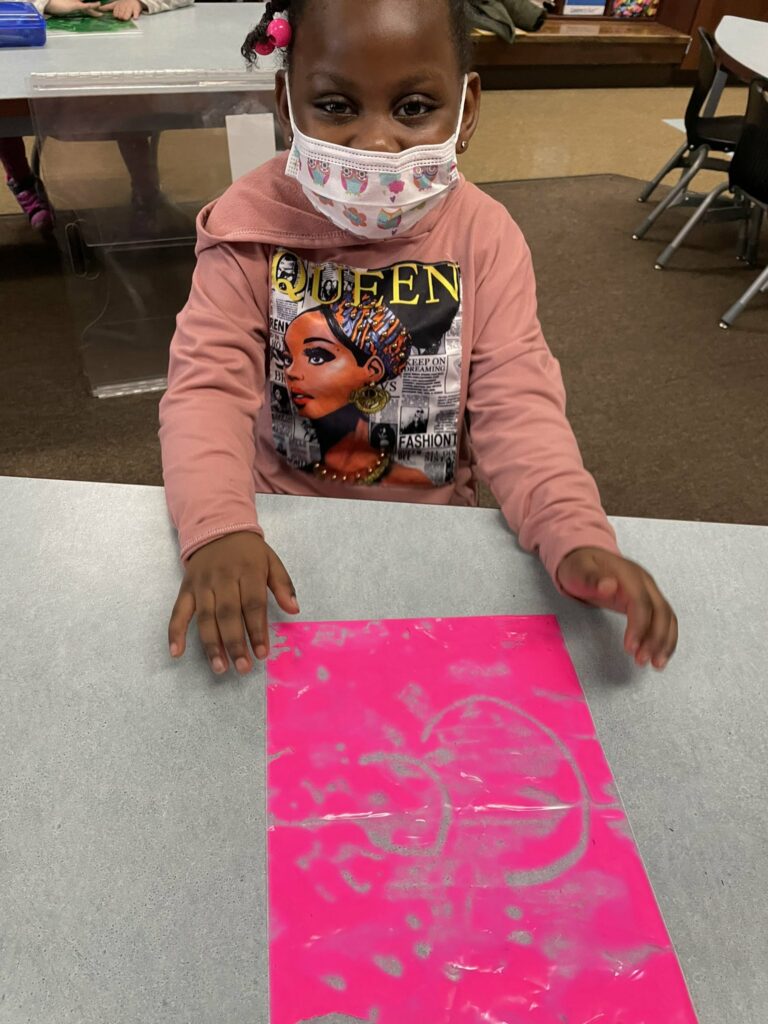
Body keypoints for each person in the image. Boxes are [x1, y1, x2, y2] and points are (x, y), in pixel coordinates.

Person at [159, 0, 678, 678]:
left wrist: (573, 533)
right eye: (338, 106)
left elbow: (518, 407)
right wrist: (220, 527)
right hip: (279, 535)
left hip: (434, 540)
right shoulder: (246, 229)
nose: (375, 144)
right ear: (286, 104)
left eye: (412, 108)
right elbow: (205, 393)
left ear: (465, 111)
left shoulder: (484, 240)